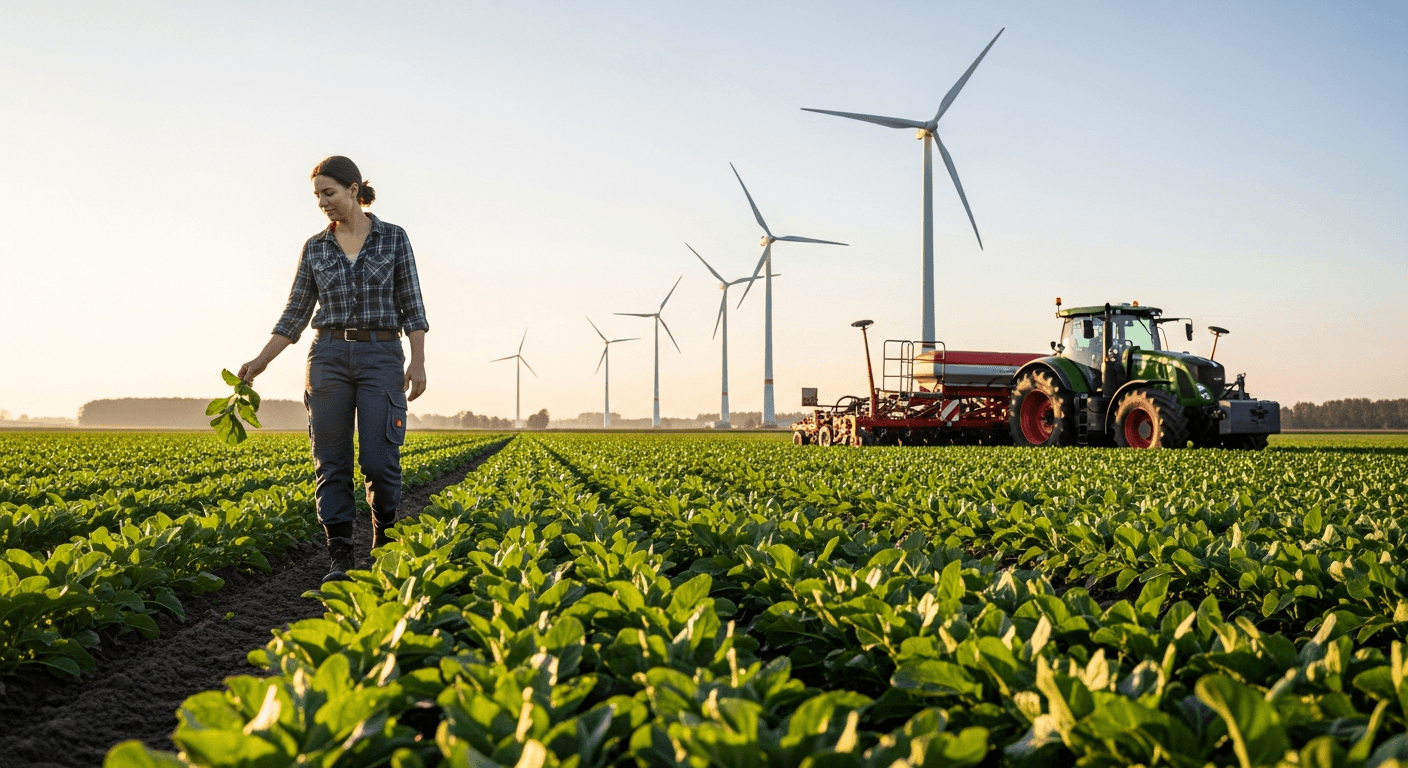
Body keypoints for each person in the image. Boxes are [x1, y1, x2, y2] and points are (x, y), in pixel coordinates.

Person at [237, 156, 429, 583]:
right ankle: (340, 557)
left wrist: (417, 360)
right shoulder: (315, 248)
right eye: (317, 196)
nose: (323, 202)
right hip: (327, 356)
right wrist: (260, 360)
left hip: (381, 355)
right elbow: (295, 314)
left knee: (380, 458)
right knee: (331, 459)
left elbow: (412, 306)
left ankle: (384, 537)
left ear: (354, 190)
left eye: (330, 193)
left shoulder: (394, 239)